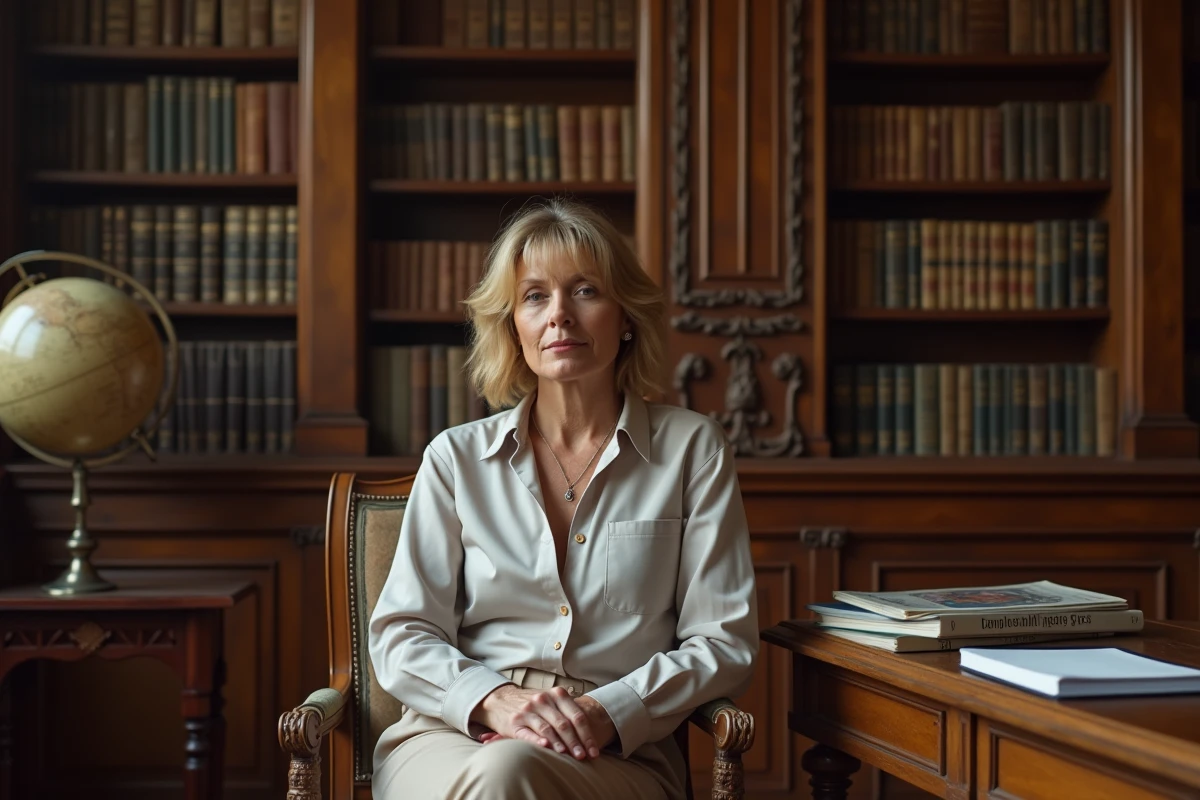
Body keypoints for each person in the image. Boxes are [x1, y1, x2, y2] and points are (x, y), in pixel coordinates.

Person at [367, 197, 759, 800]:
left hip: (610, 746)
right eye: (534, 297)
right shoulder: (455, 459)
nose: (559, 316)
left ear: (625, 315)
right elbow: (402, 632)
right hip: (457, 731)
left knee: (510, 776)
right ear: (513, 326)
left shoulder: (692, 450)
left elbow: (723, 640)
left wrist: (608, 711)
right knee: (499, 774)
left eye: (584, 291)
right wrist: (496, 702)